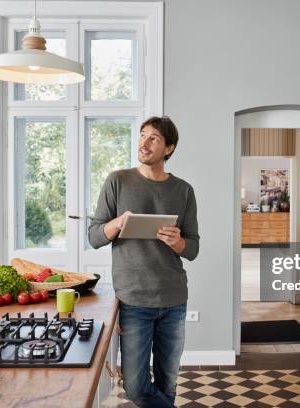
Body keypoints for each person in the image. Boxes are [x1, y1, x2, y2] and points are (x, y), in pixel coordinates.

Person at [88, 116, 199, 408]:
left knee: (167, 383)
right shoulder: (118, 181)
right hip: (134, 302)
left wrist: (179, 243)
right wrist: (119, 223)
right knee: (137, 388)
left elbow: (194, 247)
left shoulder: (183, 190)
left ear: (169, 148)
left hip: (173, 299)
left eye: (154, 138)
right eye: (142, 135)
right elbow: (95, 236)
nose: (144, 143)